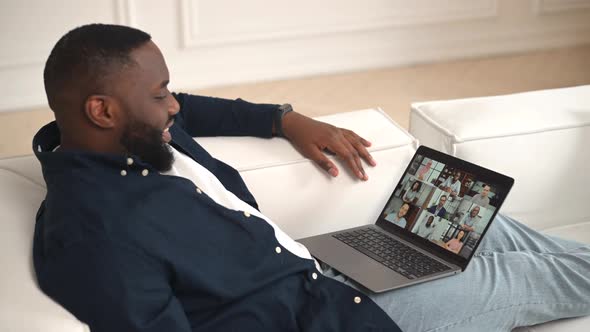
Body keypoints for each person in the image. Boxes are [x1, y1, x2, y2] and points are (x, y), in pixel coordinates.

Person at [32, 24, 590, 332]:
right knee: (520, 275)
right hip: (332, 319)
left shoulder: (129, 134)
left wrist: (285, 120)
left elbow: (196, 108)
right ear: (102, 110)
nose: (175, 106)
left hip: (317, 267)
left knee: (487, 228)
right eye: (160, 96)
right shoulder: (95, 233)